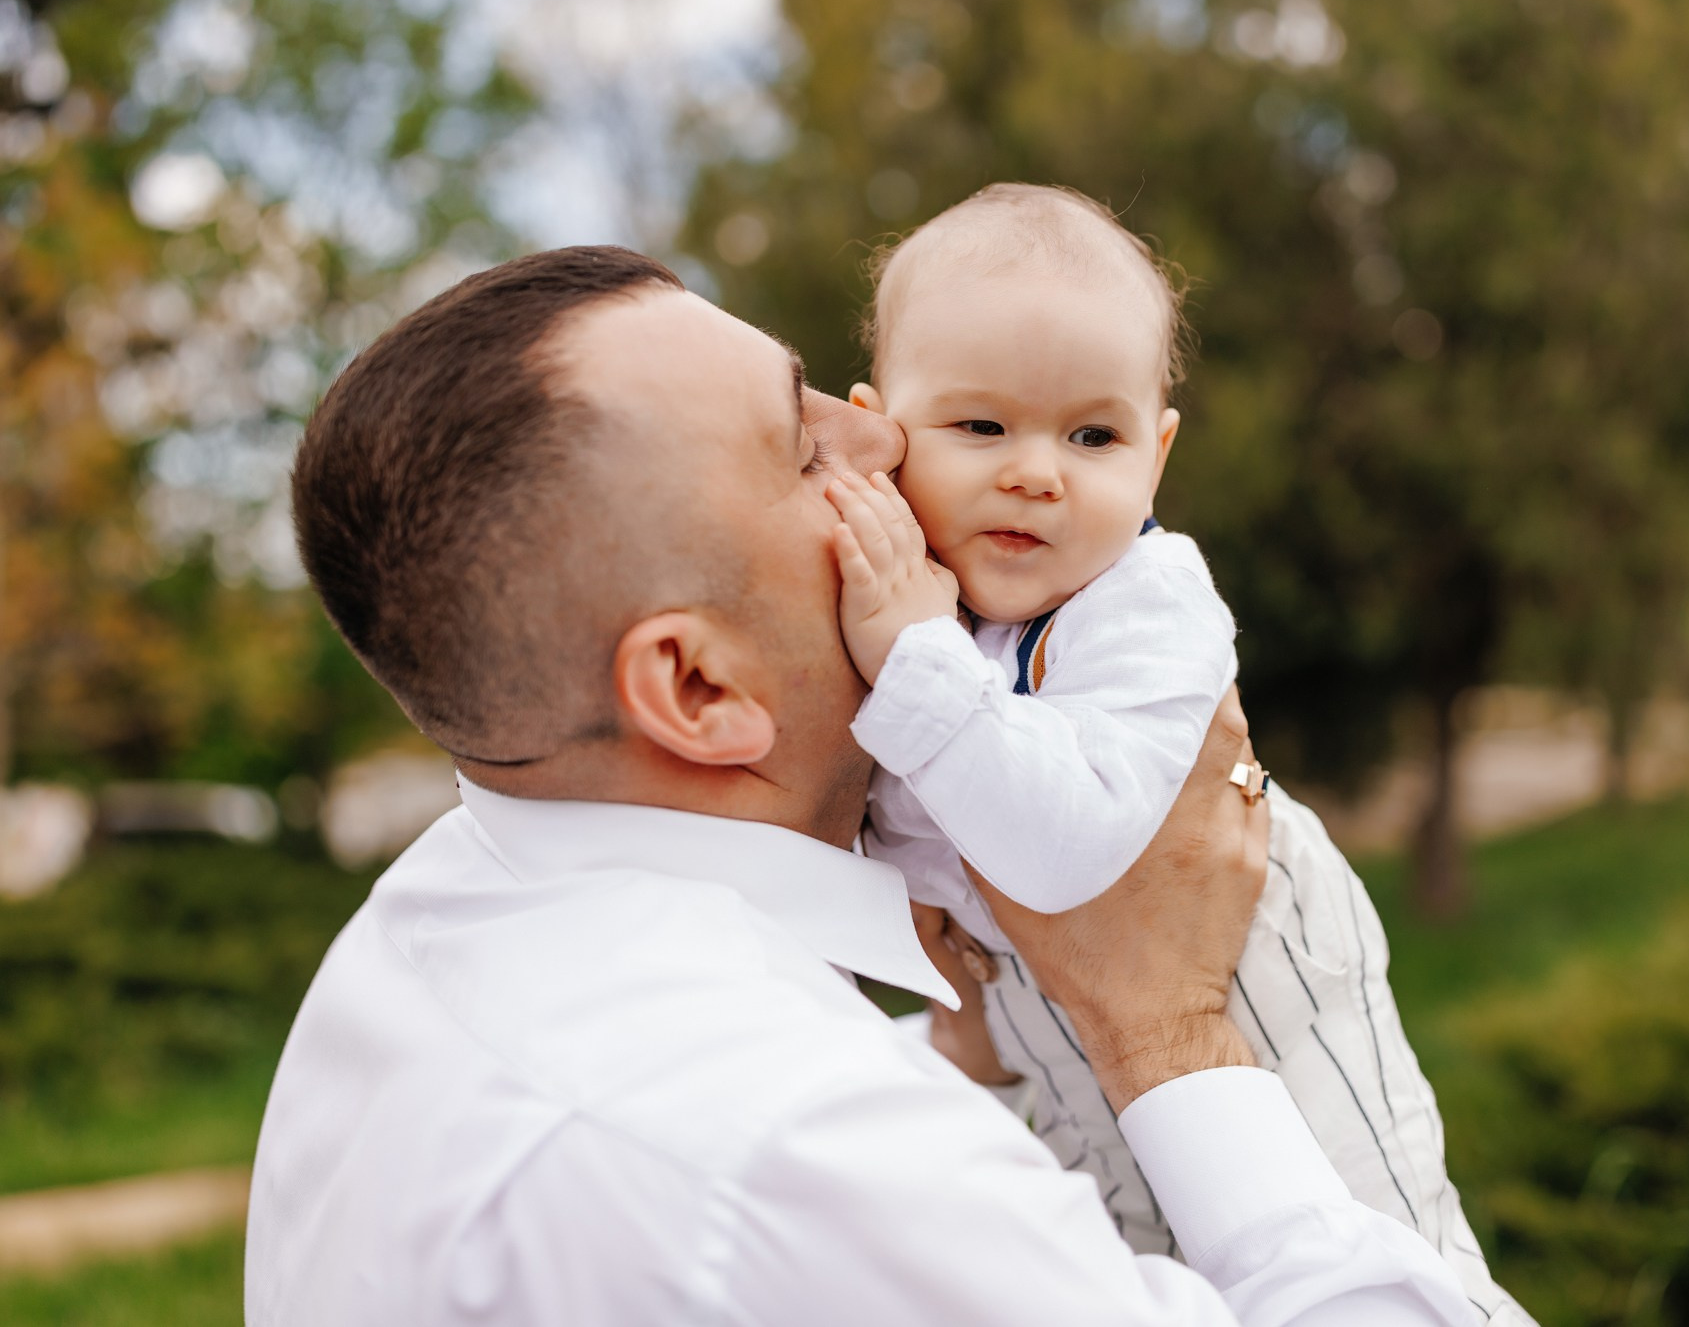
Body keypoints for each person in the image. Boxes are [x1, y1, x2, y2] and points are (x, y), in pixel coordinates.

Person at [246, 243, 1482, 1325]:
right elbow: (798, 1200)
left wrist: (970, 1058)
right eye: (801, 448)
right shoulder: (792, 1149)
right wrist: (1165, 1035)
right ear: (696, 690)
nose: (884, 437)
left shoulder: (433, 923)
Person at [829, 184, 1529, 1322]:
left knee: (1370, 1247)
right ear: (877, 430)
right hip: (1056, 1020)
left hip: (1257, 983)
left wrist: (910, 656)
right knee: (1157, 1275)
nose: (1036, 471)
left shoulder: (1143, 602)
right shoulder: (906, 599)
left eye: (1091, 434)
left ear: (1154, 454)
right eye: (979, 426)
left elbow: (1061, 855)